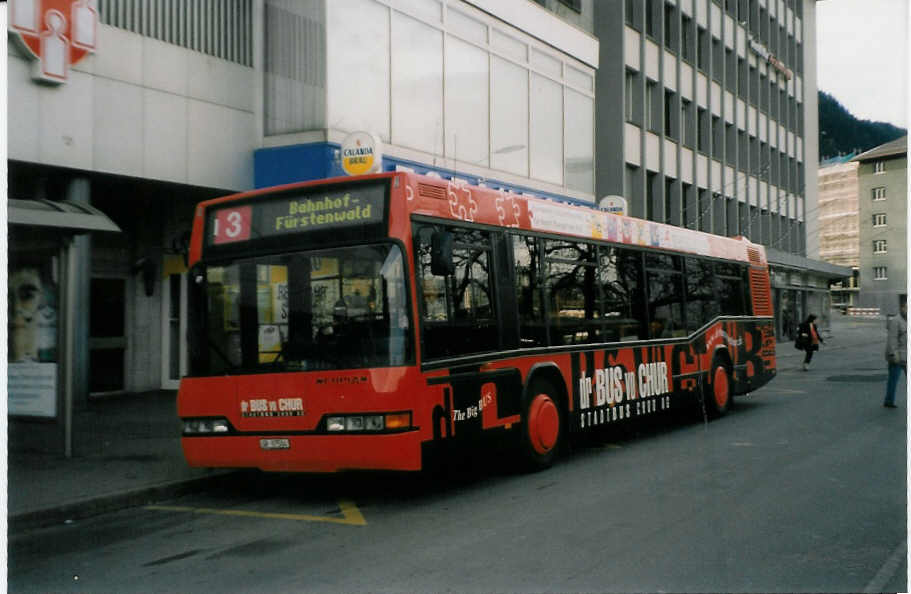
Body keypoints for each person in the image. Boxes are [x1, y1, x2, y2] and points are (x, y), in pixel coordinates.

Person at [883, 295, 907, 408]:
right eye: (907, 308)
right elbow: (892, 340)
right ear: (902, 308)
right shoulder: (896, 321)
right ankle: (889, 401)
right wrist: (894, 354)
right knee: (893, 380)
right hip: (897, 357)